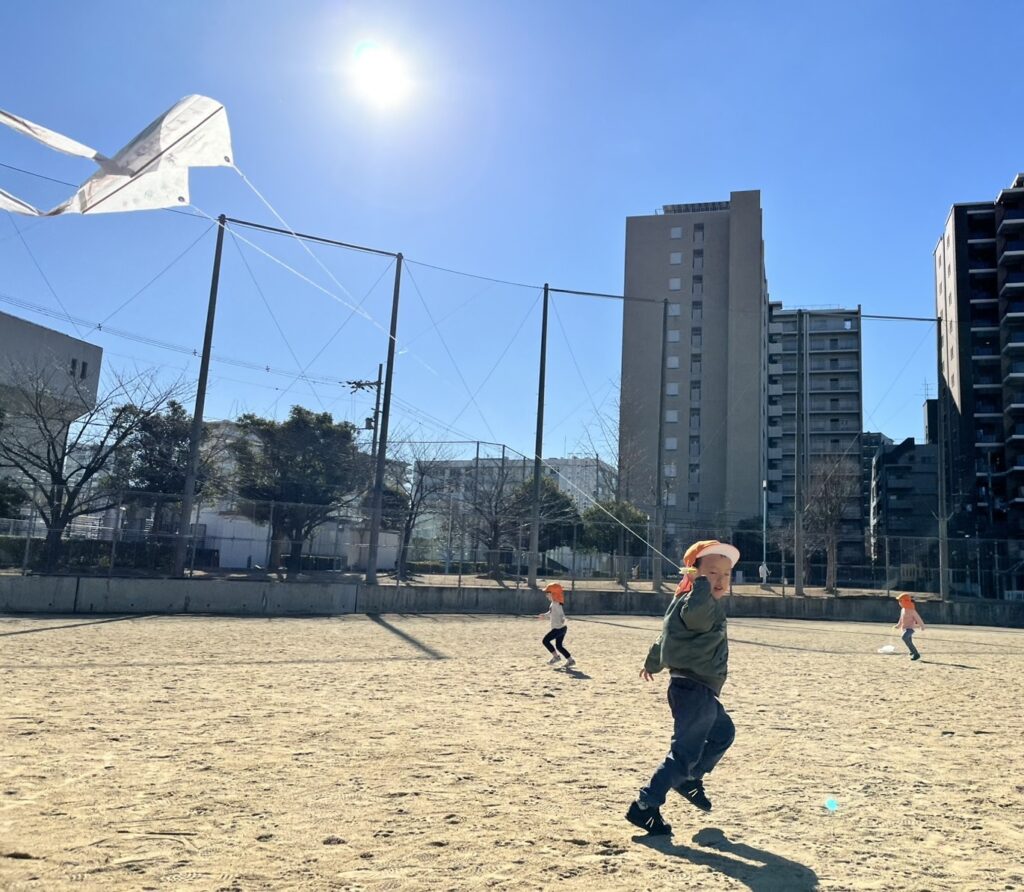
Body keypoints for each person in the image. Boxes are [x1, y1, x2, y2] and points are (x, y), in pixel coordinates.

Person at [626, 539, 739, 837]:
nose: (720, 580)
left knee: (723, 733)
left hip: (698, 689)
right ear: (693, 573)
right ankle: (644, 806)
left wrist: (652, 663)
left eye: (726, 574)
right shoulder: (696, 602)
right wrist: (700, 585)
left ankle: (689, 780)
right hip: (694, 690)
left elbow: (666, 637)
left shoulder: (686, 601)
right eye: (712, 572)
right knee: (683, 754)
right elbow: (695, 616)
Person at [538, 582, 575, 667]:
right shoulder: (553, 603)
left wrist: (562, 619)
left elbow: (562, 614)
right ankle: (570, 660)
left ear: (553, 594)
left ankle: (556, 657)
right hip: (562, 628)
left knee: (545, 641)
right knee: (559, 646)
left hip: (558, 628)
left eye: (547, 593)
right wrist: (545, 615)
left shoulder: (556, 604)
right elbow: (551, 612)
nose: (546, 596)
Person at [895, 593, 925, 661]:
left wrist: (922, 626)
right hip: (904, 628)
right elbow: (901, 619)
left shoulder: (912, 611)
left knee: (904, 638)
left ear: (905, 601)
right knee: (909, 641)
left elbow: (918, 618)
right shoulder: (902, 610)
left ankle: (916, 654)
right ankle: (912, 651)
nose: (899, 603)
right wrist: (898, 625)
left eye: (900, 601)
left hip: (910, 629)